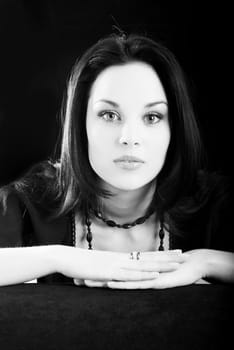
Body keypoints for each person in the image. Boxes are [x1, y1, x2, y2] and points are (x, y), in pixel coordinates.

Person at [0, 32, 233, 289]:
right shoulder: (32, 202)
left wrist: (208, 262)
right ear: (81, 125)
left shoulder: (214, 203)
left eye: (152, 117)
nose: (129, 138)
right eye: (109, 115)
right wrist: (58, 257)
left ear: (174, 129)